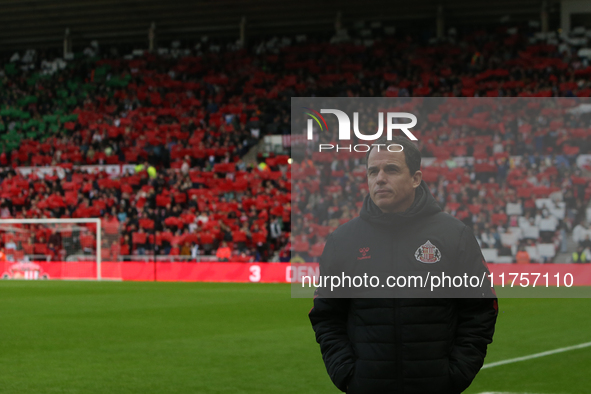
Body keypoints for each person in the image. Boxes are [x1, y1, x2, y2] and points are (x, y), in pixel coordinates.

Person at [309, 136, 498, 394]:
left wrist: (455, 375)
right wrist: (347, 374)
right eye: (373, 171)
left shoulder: (455, 235)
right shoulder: (343, 240)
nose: (380, 178)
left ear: (416, 178)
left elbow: (481, 309)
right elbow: (326, 315)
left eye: (392, 169)